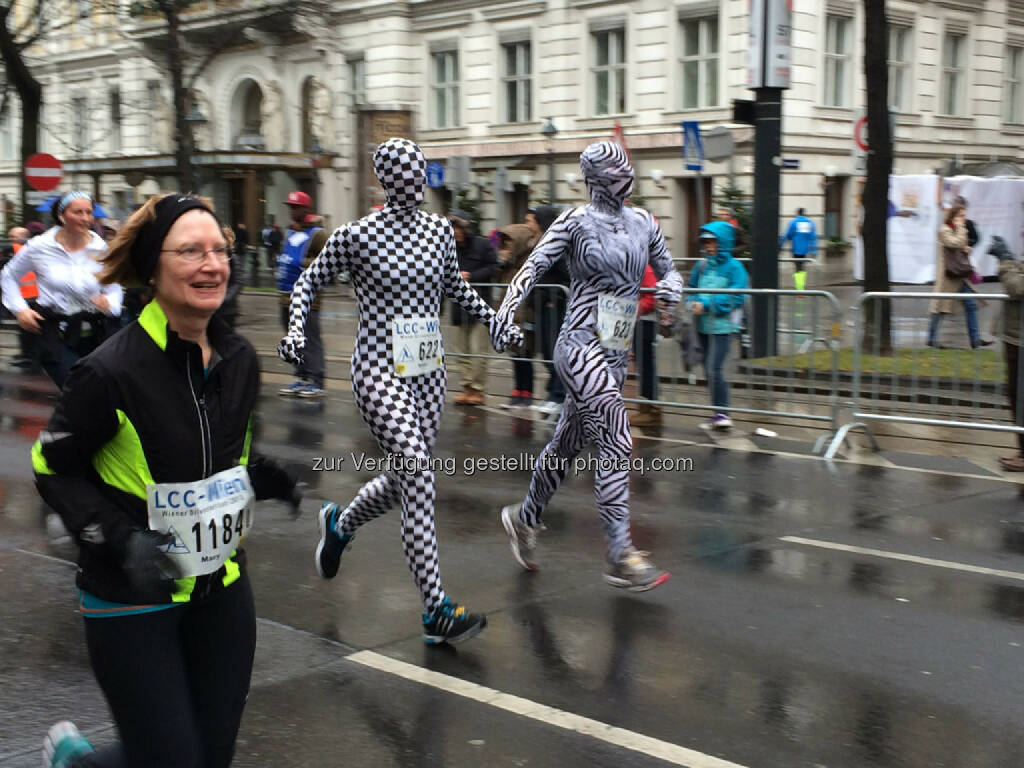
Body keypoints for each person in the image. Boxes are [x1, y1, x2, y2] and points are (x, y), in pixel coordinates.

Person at [34, 193, 300, 768]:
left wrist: (257, 479)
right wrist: (118, 539)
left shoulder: (240, 358)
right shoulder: (109, 371)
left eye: (219, 251)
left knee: (207, 756)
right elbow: (51, 466)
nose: (212, 264)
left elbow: (219, 458)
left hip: (221, 587)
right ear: (154, 268)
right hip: (132, 598)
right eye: (190, 252)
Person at [279, 138, 521, 644]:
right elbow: (306, 283)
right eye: (403, 173)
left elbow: (455, 287)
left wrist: (495, 321)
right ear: (386, 179)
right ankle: (435, 610)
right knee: (418, 469)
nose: (414, 181)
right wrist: (298, 330)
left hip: (428, 371)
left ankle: (340, 526)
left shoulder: (438, 230)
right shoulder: (357, 235)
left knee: (404, 478)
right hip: (377, 369)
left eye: (419, 172)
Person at [497, 141, 683, 591]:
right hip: (579, 344)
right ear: (597, 180)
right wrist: (504, 312)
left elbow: (670, 270)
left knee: (564, 447)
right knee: (617, 437)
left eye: (627, 171)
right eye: (616, 174)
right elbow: (533, 267)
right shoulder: (575, 223)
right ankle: (620, 553)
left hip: (616, 351)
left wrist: (671, 297)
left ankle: (524, 518)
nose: (626, 180)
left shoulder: (643, 223)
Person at [1, 192, 122, 389]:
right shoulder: (40, 247)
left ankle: (74, 419)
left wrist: (111, 304)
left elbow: (114, 286)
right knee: (75, 387)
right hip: (54, 330)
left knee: (98, 390)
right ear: (62, 216)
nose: (85, 218)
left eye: (88, 212)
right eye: (78, 212)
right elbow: (9, 275)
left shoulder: (101, 249)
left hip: (94, 328)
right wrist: (20, 310)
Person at [688, 222, 749, 430]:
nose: (708, 245)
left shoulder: (735, 268)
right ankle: (718, 413)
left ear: (723, 242)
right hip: (703, 327)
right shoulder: (701, 265)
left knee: (714, 369)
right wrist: (692, 302)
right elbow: (693, 288)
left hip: (723, 328)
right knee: (708, 369)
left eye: (712, 241)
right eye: (706, 241)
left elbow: (736, 297)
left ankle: (723, 413)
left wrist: (705, 304)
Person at [277, 191, 327, 397]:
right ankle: (302, 376)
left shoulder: (318, 234)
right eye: (290, 207)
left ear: (306, 209)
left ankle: (317, 380)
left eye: (296, 207)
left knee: (310, 339)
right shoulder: (290, 231)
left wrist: (300, 263)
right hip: (285, 296)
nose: (292, 210)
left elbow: (327, 263)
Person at [449, 210, 497, 405]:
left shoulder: (482, 244)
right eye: (453, 228)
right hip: (459, 306)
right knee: (462, 350)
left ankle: (478, 390)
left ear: (466, 228)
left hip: (480, 306)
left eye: (459, 227)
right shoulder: (449, 248)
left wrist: (472, 276)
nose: (456, 232)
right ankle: (467, 387)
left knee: (478, 350)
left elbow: (494, 268)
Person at [927, 203, 992, 349]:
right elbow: (953, 242)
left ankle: (975, 340)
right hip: (948, 276)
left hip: (960, 275)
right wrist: (962, 232)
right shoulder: (944, 230)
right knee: (940, 308)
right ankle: (931, 338)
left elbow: (960, 244)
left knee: (971, 304)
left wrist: (966, 248)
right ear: (953, 216)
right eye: (961, 216)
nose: (964, 219)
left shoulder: (957, 230)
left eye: (964, 215)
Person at [496, 210, 542, 409]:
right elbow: (497, 280)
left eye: (510, 243)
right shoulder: (509, 264)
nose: (507, 247)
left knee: (525, 353)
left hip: (525, 313)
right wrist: (502, 262)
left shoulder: (529, 260)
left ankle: (527, 392)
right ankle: (517, 390)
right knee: (514, 354)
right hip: (510, 314)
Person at [530, 205, 569, 417]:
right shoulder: (539, 242)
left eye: (533, 220)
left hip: (554, 306)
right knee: (546, 352)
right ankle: (553, 394)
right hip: (540, 304)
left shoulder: (556, 245)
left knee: (555, 351)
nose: (529, 223)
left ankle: (558, 396)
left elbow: (567, 275)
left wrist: (556, 297)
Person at [991, 236, 1024, 471]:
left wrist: (1005, 261)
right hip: (1015, 336)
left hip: (1020, 339)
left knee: (1020, 397)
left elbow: (1018, 287)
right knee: (1016, 396)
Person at [628, 264, 661, 427]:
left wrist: (634, 308)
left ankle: (651, 410)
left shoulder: (644, 267)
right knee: (642, 364)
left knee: (646, 364)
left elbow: (652, 296)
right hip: (637, 321)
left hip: (645, 322)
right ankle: (646, 408)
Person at [778, 208, 817, 291]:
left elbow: (787, 235)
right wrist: (813, 250)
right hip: (805, 250)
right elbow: (813, 237)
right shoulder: (810, 223)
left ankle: (799, 287)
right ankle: (801, 285)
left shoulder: (794, 222)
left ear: (797, 213)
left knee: (797, 267)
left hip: (796, 249)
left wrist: (781, 245)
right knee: (802, 267)